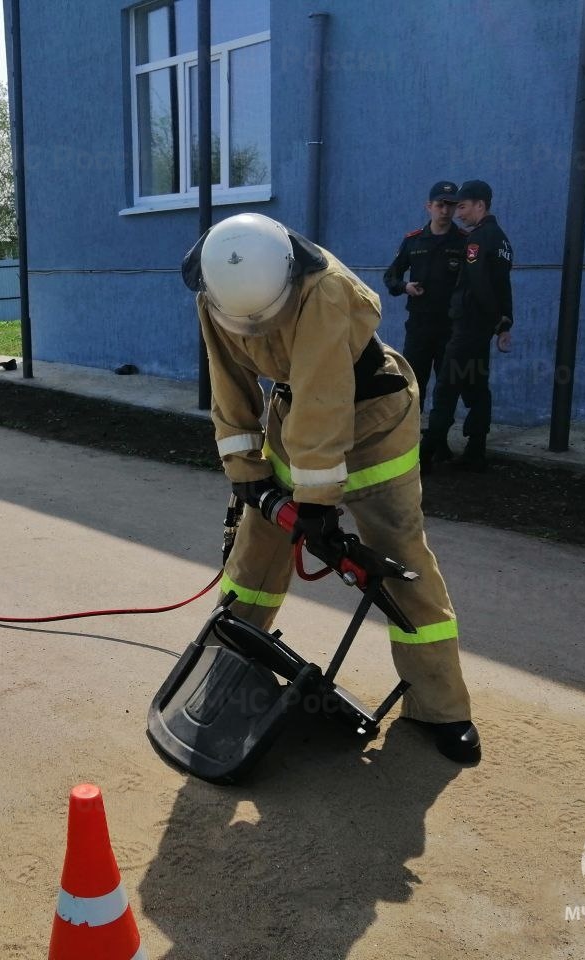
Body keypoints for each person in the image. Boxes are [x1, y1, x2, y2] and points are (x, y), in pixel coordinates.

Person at [181, 212, 480, 763]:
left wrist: (315, 505)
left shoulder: (325, 290)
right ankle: (224, 665)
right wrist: (249, 474)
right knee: (256, 552)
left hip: (373, 414)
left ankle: (443, 708)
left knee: (399, 555)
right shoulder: (214, 287)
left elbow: (325, 391)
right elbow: (230, 383)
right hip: (299, 417)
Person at [423, 179, 513, 471]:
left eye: (462, 206)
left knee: (447, 387)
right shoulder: (502, 241)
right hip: (483, 331)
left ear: (480, 205)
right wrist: (503, 324)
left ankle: (426, 454)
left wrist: (492, 318)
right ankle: (476, 451)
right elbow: (504, 287)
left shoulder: (476, 240)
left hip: (467, 328)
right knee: (477, 387)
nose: (458, 213)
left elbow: (479, 283)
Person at [382, 181, 468, 445]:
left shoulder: (464, 242)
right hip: (419, 325)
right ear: (429, 206)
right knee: (413, 384)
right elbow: (391, 275)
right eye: (440, 205)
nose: (445, 210)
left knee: (446, 386)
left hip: (451, 328)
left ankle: (437, 441)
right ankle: (410, 441)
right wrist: (404, 286)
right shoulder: (414, 241)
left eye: (450, 205)